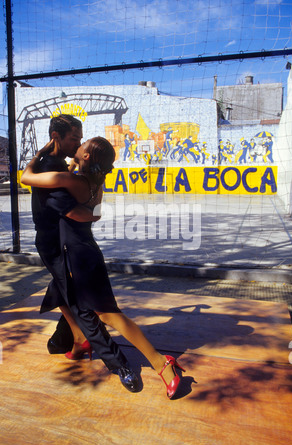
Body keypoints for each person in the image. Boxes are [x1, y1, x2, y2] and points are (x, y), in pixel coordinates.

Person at [21, 135, 186, 399]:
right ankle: (78, 343)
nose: (80, 143)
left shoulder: (70, 180)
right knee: (61, 294)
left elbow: (26, 177)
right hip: (84, 250)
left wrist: (40, 152)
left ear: (86, 156)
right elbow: (95, 214)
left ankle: (162, 364)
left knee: (109, 315)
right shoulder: (95, 180)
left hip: (79, 257)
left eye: (83, 145)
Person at [22, 114, 139, 392]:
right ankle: (118, 364)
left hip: (66, 242)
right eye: (74, 137)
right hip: (57, 244)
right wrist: (95, 198)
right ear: (56, 137)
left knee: (63, 291)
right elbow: (82, 214)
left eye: (80, 138)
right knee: (80, 306)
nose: (78, 142)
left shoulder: (55, 164)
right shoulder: (55, 172)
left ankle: (68, 340)